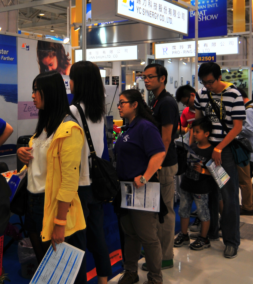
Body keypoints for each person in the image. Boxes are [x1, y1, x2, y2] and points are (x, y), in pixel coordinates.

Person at [16, 71, 87, 283]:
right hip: (33, 203)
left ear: (50, 92)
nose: (33, 96)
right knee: (46, 269)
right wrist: (23, 154)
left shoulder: (69, 129)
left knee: (63, 272)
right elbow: (39, 165)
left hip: (53, 206)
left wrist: (60, 222)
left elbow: (69, 181)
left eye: (36, 91)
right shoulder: (44, 128)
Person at [194, 62, 245, 259]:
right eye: (204, 82)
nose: (207, 86)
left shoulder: (234, 94)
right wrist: (196, 147)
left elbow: (237, 127)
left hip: (222, 155)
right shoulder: (202, 94)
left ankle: (231, 241)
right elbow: (198, 122)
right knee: (209, 194)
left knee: (228, 196)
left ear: (219, 77)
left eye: (210, 82)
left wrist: (218, 148)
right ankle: (211, 231)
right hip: (206, 153)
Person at [114, 90, 166, 284]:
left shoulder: (145, 126)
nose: (119, 106)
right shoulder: (129, 128)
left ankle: (155, 277)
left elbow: (159, 154)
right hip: (126, 189)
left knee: (147, 236)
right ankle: (130, 271)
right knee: (130, 233)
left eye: (122, 103)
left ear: (135, 105)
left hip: (141, 190)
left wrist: (144, 178)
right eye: (119, 103)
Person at [69, 61, 111, 284]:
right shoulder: (99, 111)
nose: (69, 83)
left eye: (72, 78)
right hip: (96, 182)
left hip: (78, 183)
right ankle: (103, 280)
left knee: (78, 240)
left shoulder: (73, 111)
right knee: (97, 235)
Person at [143, 63, 178, 271]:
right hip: (159, 163)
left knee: (164, 211)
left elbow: (165, 138)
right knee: (157, 211)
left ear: (162, 78)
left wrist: (156, 165)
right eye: (144, 77)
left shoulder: (166, 103)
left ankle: (164, 257)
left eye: (150, 77)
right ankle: (157, 254)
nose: (146, 80)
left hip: (163, 165)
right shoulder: (157, 101)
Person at [174, 118, 216, 251]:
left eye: (197, 132)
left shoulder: (212, 151)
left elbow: (218, 174)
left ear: (206, 133)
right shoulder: (192, 147)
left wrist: (203, 170)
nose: (195, 134)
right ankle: (184, 234)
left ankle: (204, 238)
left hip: (201, 188)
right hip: (186, 185)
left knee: (203, 213)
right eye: (194, 131)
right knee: (183, 210)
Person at [238, 89, 253, 216]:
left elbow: (251, 130)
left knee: (245, 180)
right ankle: (248, 204)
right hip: (251, 149)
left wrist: (236, 127)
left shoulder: (249, 111)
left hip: (246, 150)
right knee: (246, 179)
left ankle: (247, 206)